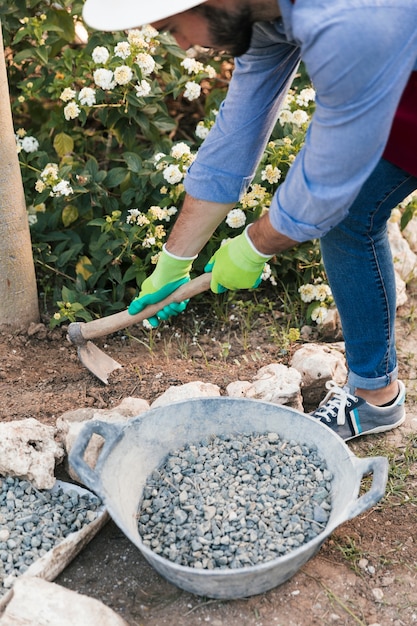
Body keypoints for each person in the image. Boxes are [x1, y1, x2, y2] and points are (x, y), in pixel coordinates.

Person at [82, 0, 417, 441]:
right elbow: (237, 132)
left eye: (173, 26)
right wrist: (174, 260)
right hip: (396, 80)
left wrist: (252, 247)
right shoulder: (260, 13)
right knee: (353, 218)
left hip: (394, 72)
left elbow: (325, 185)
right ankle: (376, 395)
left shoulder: (350, 19)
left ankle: (375, 394)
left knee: (347, 211)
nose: (181, 44)